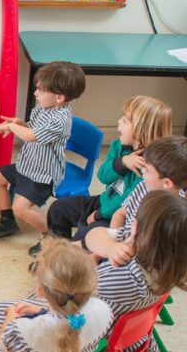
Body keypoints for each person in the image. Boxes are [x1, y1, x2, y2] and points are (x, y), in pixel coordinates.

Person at [31, 95, 172, 256]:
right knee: (58, 209)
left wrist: (99, 214)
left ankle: (67, 260)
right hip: (104, 201)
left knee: (84, 236)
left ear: (142, 130)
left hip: (117, 217)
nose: (119, 122)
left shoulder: (149, 167)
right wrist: (122, 163)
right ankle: (57, 249)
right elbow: (103, 176)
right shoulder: (118, 146)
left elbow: (127, 200)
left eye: (125, 121)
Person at [0, 61, 85, 240]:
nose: (35, 93)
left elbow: (31, 136)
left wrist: (12, 126)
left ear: (59, 98)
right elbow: (32, 129)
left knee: (21, 208)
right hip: (28, 165)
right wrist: (20, 124)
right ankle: (7, 220)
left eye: (41, 90)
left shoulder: (60, 120)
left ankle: (53, 235)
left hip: (43, 175)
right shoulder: (43, 107)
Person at [93, 191, 187, 352]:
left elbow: (68, 305)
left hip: (92, 350)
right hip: (126, 341)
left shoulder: (118, 282)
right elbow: (95, 235)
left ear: (136, 228)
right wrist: (110, 248)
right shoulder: (170, 268)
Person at [85, 136, 187, 266]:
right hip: (120, 242)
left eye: (147, 169)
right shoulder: (143, 185)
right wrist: (108, 248)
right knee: (88, 235)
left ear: (167, 183)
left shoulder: (175, 213)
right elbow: (120, 214)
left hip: (136, 260)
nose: (142, 170)